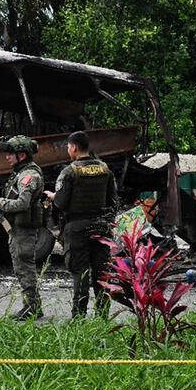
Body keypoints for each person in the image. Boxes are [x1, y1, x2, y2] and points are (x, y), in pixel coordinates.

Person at [45, 131, 117, 319]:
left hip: (76, 228)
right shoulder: (104, 169)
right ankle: (103, 317)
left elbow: (60, 202)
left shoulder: (69, 171)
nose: (68, 150)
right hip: (101, 226)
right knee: (102, 273)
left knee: (80, 272)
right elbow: (113, 200)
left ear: (74, 147)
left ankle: (78, 317)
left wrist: (53, 197)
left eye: (68, 147)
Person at [0, 135, 45, 320]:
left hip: (24, 230)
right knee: (21, 267)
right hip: (18, 228)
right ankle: (31, 305)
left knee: (25, 267)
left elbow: (22, 204)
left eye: (10, 154)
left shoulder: (29, 176)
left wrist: (1, 203)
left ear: (21, 155)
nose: (7, 157)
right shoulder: (21, 173)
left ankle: (32, 307)